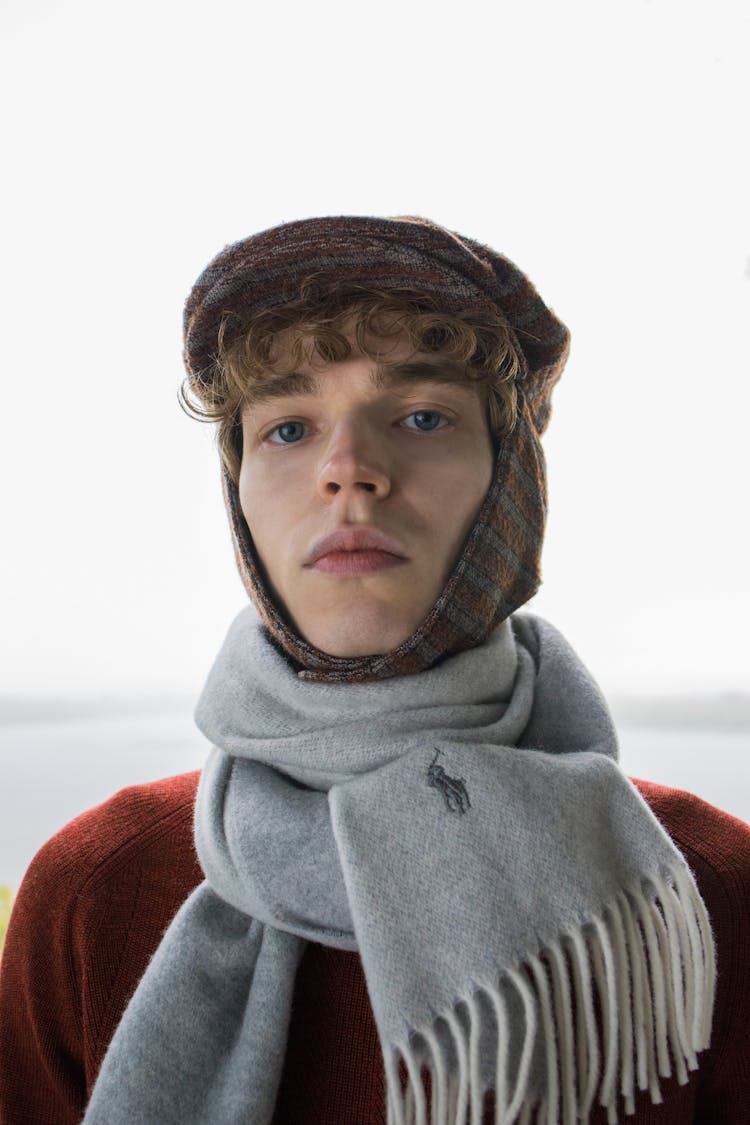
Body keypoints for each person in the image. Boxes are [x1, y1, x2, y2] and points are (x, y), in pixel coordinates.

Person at [1, 215, 748, 1125]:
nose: (349, 469)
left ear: (511, 482)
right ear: (236, 490)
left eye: (423, 416)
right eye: (287, 428)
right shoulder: (99, 886)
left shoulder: (699, 887)